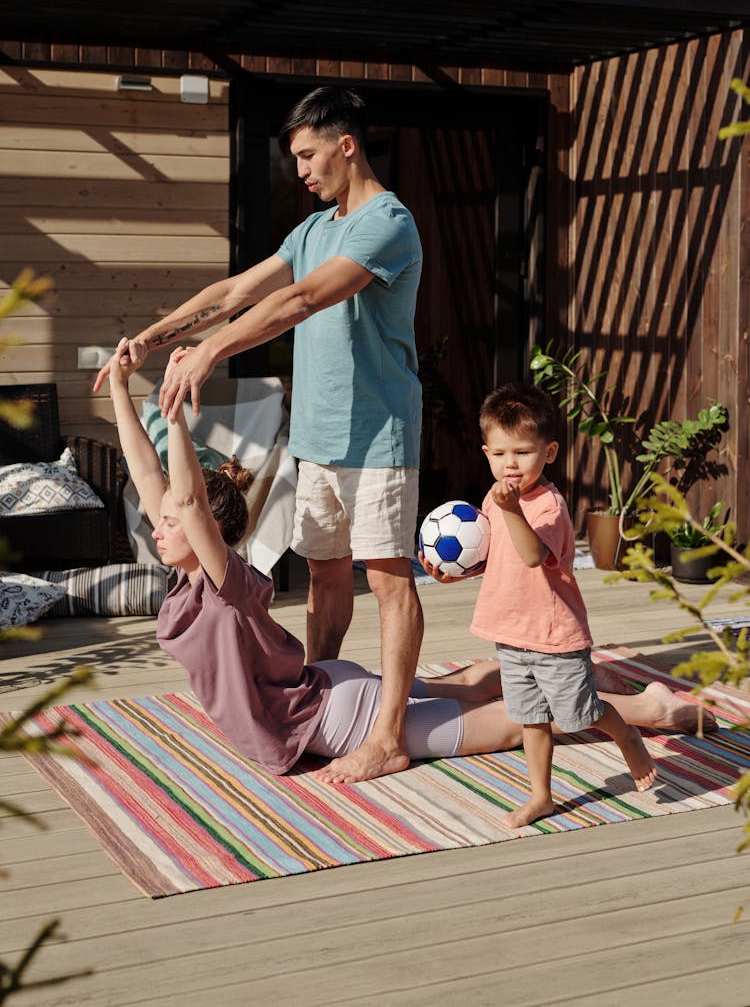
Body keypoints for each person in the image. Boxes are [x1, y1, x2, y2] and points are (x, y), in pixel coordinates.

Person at [104, 342, 710, 782]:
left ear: (209, 530)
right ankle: (512, 674)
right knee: (446, 693)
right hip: (326, 688)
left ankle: (651, 709)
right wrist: (117, 392)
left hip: (336, 717)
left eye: (173, 519)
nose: (159, 523)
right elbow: (151, 477)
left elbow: (184, 499)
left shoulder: (224, 584)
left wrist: (177, 416)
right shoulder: (189, 574)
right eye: (160, 518)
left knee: (503, 727)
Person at [94, 85, 424, 784]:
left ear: (346, 144)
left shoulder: (388, 222)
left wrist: (212, 353)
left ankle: (389, 733)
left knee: (389, 583)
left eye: (307, 155)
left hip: (377, 436)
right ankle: (315, 701)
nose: (301, 171)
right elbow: (239, 289)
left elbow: (302, 300)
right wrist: (155, 336)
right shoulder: (311, 230)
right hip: (316, 436)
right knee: (327, 580)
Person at [420, 381, 661, 830]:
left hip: (554, 635)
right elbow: (495, 556)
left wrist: (511, 510)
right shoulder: (496, 499)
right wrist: (454, 572)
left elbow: (532, 555)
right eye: (499, 454)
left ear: (548, 453)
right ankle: (541, 796)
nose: (510, 464)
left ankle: (627, 733)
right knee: (531, 719)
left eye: (523, 453)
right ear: (486, 452)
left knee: (578, 714)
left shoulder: (548, 505)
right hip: (510, 633)